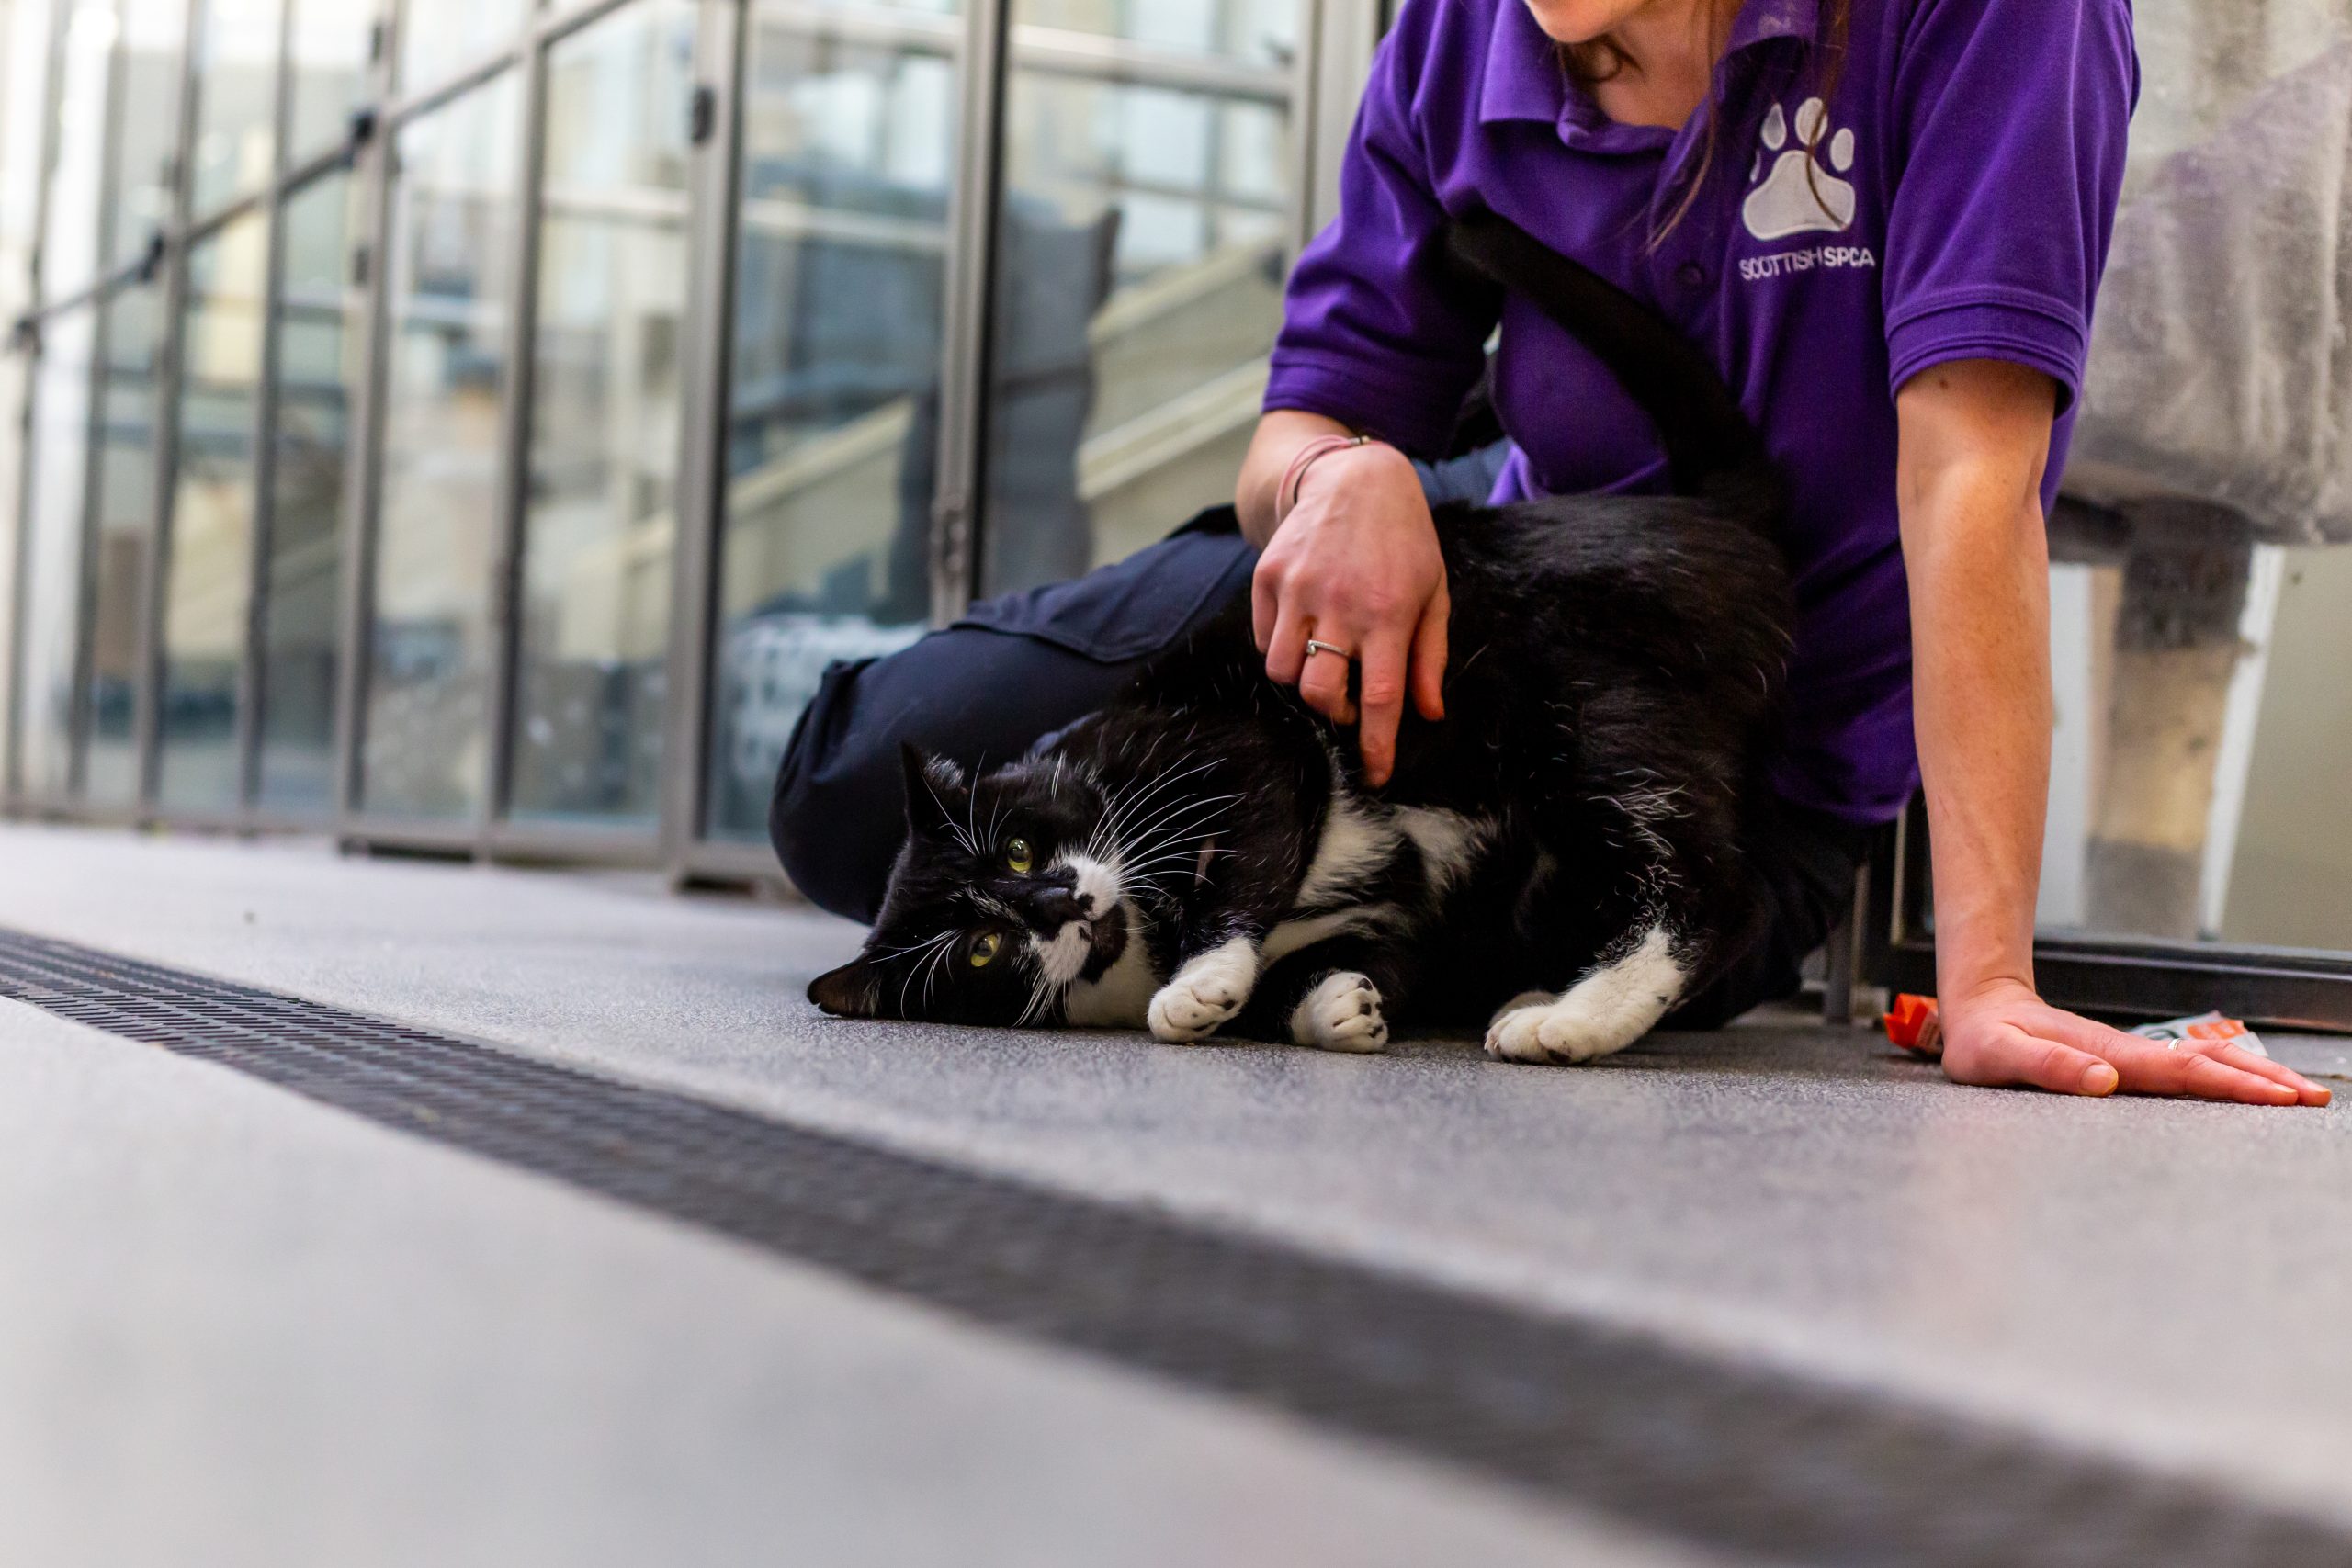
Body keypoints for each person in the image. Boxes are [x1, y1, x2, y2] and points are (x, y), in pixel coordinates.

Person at [772, 0, 2331, 1107]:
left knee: (1469, 969)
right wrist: (1349, 476)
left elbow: (1973, 480)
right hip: (1484, 583)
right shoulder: (1461, 30)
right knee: (862, 796)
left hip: (1734, 734)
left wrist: (1992, 979)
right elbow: (1294, 429)